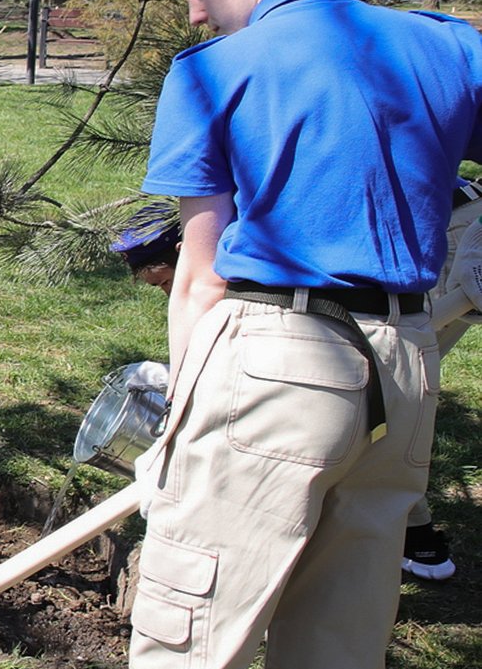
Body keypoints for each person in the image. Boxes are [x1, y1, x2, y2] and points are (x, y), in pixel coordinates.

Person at [116, 0, 482, 669]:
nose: (195, 14)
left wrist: (178, 432)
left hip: (275, 360)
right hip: (407, 373)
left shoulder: (215, 74)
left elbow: (199, 274)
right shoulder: (448, 49)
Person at [112, 194, 468, 583]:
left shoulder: (263, 263)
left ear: (189, 249)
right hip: (380, 280)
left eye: (167, 281)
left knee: (377, 408)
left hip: (433, 264)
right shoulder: (251, 245)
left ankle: (408, 540)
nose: (169, 294)